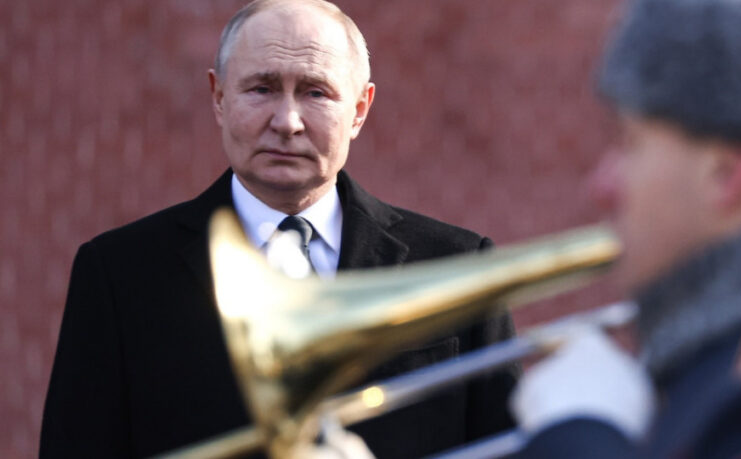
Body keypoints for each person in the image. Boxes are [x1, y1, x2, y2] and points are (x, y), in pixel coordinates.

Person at [39, 1, 518, 457]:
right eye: (261, 89)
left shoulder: (460, 265)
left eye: (316, 92)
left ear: (359, 110)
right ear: (219, 98)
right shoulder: (118, 274)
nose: (287, 122)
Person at [510, 0, 741, 457]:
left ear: (726, 175)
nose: (601, 185)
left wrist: (582, 435)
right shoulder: (720, 358)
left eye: (629, 142)